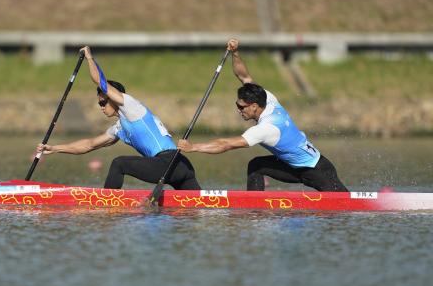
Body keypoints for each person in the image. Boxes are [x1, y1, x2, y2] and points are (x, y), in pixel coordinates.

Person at [177, 38, 348, 192]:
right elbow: (244, 76)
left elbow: (226, 144)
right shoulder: (268, 98)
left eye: (241, 107)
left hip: (318, 170)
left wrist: (193, 147)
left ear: (254, 106)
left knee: (345, 207)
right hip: (293, 167)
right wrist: (235, 53)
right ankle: (255, 211)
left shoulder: (267, 128)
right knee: (257, 166)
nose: (238, 110)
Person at [36, 46, 201, 190]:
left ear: (114, 97)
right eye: (99, 103)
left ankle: (107, 205)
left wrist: (89, 57)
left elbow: (101, 83)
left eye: (103, 101)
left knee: (119, 163)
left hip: (167, 162)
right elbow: (89, 145)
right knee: (199, 208)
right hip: (182, 167)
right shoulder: (119, 128)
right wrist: (54, 148)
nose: (101, 106)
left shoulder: (131, 106)